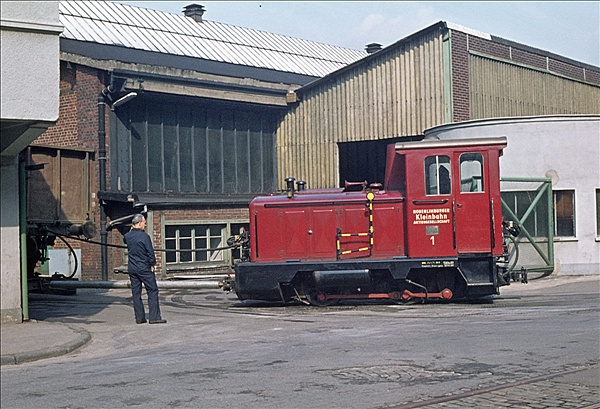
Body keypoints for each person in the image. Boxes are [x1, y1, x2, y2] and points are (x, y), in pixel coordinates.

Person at [123, 214, 167, 324]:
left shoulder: (127, 236)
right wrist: (152, 264)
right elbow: (150, 253)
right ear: (139, 223)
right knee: (152, 290)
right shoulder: (144, 236)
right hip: (144, 267)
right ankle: (154, 317)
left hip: (132, 268)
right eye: (144, 222)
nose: (145, 224)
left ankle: (140, 318)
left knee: (136, 293)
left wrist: (131, 230)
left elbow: (125, 239)